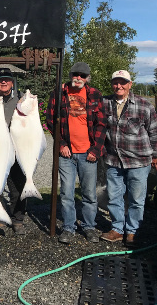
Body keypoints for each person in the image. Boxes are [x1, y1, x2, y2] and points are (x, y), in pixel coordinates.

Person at [100, 70, 157, 247]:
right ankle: (117, 229)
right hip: (114, 159)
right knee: (114, 197)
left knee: (136, 199)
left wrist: (156, 154)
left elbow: (156, 130)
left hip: (139, 160)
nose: (119, 86)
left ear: (130, 84)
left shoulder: (143, 105)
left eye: (123, 82)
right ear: (112, 84)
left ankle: (132, 231)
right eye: (115, 82)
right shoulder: (105, 103)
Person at [46, 62, 106, 244]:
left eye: (82, 75)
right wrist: (61, 144)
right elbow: (50, 120)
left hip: (88, 153)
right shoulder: (59, 93)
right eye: (75, 74)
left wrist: (95, 150)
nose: (78, 78)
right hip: (66, 153)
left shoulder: (95, 94)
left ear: (87, 78)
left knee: (89, 194)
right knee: (66, 193)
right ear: (71, 75)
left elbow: (101, 124)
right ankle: (69, 227)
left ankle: (89, 226)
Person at [0, 67, 27, 235]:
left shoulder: (21, 99)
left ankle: (17, 219)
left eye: (6, 79)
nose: (3, 82)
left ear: (12, 82)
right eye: (0, 79)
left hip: (17, 149)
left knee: (17, 186)